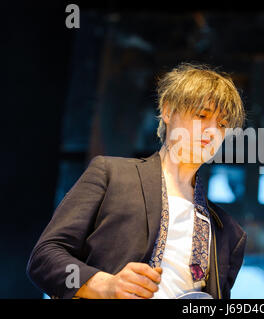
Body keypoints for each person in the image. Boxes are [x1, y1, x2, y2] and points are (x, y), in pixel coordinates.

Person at [26, 63, 247, 299]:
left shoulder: (230, 233)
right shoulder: (112, 175)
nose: (212, 130)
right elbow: (44, 258)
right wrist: (106, 285)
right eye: (201, 115)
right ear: (168, 111)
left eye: (222, 125)